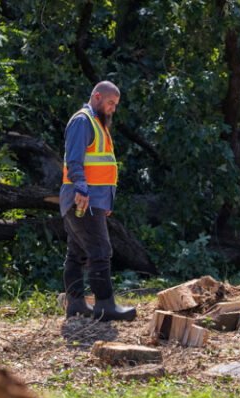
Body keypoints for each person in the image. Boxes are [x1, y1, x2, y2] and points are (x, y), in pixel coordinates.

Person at [60, 81, 136, 321]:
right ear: (96, 96)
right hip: (83, 199)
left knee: (77, 253)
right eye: (110, 103)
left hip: (91, 201)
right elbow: (74, 160)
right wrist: (81, 188)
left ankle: (76, 305)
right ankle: (105, 306)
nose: (113, 109)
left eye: (115, 105)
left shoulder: (97, 123)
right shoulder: (83, 121)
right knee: (100, 250)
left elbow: (100, 167)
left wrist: (105, 201)